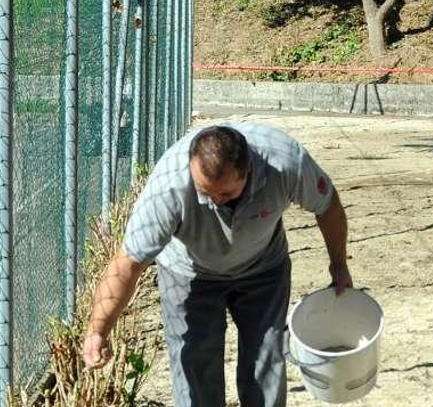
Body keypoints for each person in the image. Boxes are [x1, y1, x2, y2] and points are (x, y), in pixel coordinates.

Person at [82, 122, 352, 407]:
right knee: (195, 363)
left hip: (263, 269)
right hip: (188, 273)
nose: (213, 201)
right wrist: (98, 330)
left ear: (248, 172)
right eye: (204, 191)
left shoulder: (285, 163)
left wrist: (339, 264)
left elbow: (327, 205)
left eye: (224, 194)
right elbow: (128, 264)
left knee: (267, 359)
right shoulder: (168, 187)